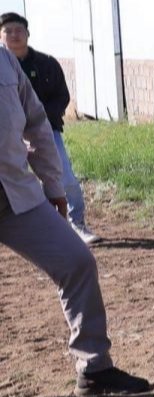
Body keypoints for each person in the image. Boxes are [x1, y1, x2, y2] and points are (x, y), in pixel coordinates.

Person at [0, 47, 149, 397]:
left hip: (14, 193)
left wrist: (52, 183)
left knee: (76, 260)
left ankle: (94, 366)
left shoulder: (5, 61)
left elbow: (36, 120)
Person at [1, 12, 98, 244]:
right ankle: (32, 229)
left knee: (64, 176)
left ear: (27, 34)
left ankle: (77, 224)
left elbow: (61, 96)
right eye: (8, 31)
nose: (14, 35)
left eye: (19, 30)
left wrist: (41, 120)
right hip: (9, 138)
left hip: (44, 131)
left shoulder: (46, 64)